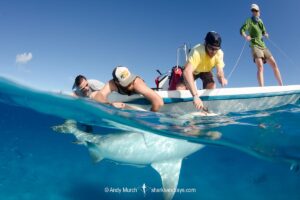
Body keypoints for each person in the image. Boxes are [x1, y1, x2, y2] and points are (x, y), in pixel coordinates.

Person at [240, 4, 283, 87]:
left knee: (274, 64)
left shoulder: (260, 21)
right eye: (253, 10)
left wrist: (266, 34)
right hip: (255, 45)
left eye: (256, 10)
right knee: (260, 66)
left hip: (263, 46)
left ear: (259, 12)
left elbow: (264, 32)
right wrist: (246, 36)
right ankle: (262, 89)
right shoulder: (249, 20)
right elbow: (242, 30)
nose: (254, 12)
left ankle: (281, 86)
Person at [183, 31, 228, 110]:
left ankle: (205, 108)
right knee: (180, 88)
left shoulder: (219, 53)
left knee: (212, 85)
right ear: (205, 44)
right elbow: (187, 72)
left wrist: (222, 77)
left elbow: (219, 70)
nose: (213, 52)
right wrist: (195, 96)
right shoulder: (197, 51)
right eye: (211, 48)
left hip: (206, 70)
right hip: (193, 70)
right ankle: (189, 105)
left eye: (216, 49)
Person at [94, 66, 164, 112]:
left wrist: (150, 115)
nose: (130, 84)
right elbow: (98, 96)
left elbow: (159, 102)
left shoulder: (137, 83)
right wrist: (110, 104)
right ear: (117, 82)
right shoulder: (112, 84)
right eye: (126, 83)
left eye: (130, 79)